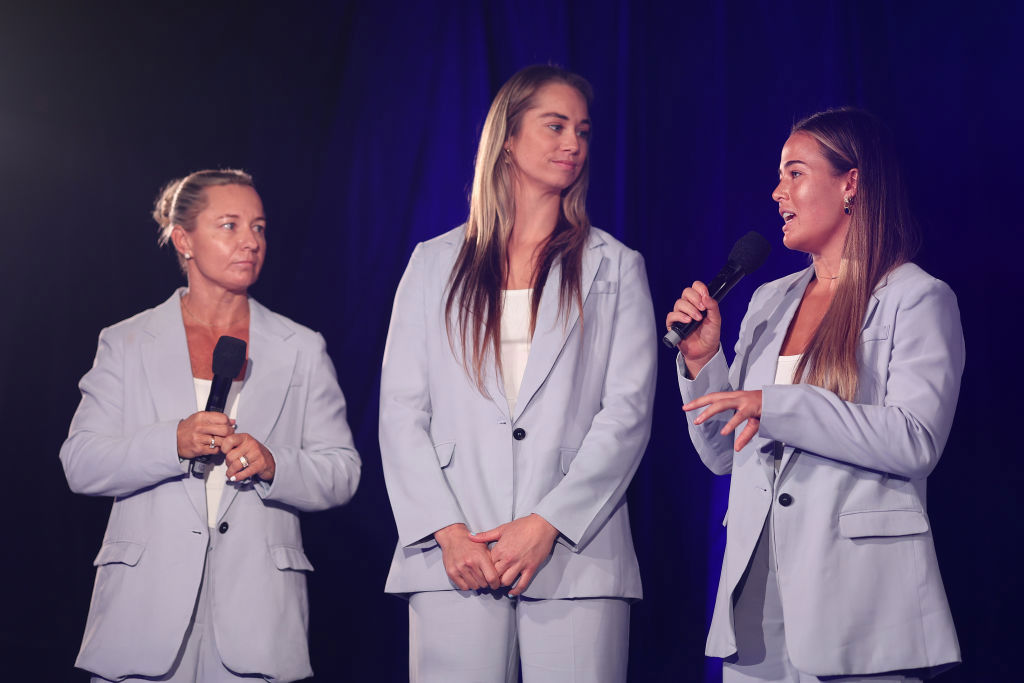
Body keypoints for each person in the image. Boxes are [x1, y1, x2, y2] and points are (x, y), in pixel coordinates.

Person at [380, 65, 656, 683]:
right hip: (457, 557)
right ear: (507, 137)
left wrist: (546, 522)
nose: (573, 144)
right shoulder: (433, 264)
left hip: (577, 557)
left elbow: (628, 414)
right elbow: (401, 413)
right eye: (555, 126)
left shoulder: (616, 267)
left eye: (583, 131)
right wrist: (446, 532)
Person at [668, 108, 963, 682]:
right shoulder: (768, 300)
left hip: (860, 606)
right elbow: (722, 454)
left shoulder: (916, 297)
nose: (778, 191)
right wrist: (704, 361)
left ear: (850, 182)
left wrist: (773, 405)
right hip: (757, 604)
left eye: (795, 173)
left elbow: (915, 440)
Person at [60, 169, 361, 682]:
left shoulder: (301, 347)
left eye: (260, 227)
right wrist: (170, 442)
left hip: (257, 617)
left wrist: (275, 464)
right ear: (184, 239)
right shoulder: (126, 341)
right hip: (143, 615)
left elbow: (343, 471)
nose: (251, 241)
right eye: (230, 225)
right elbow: (81, 463)